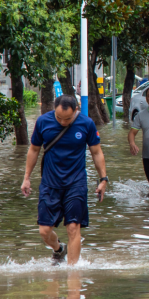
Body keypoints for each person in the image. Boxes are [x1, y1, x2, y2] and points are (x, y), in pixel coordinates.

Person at [21, 95, 107, 265]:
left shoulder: (86, 123)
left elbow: (96, 152)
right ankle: (59, 249)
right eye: (59, 117)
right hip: (50, 183)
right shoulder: (43, 122)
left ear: (76, 110)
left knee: (74, 227)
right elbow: (34, 150)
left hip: (76, 183)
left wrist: (103, 179)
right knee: (44, 231)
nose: (62, 122)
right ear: (54, 110)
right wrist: (26, 178)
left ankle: (72, 275)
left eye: (67, 119)